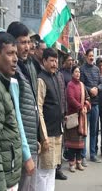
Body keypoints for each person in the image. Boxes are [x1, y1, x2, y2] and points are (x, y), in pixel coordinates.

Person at [7, 21, 39, 190]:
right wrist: (26, 154)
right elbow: (16, 116)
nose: (27, 47)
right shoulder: (13, 72)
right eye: (23, 42)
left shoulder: (26, 67)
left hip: (31, 142)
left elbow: (32, 106)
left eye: (29, 42)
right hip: (21, 148)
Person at [0, 32, 22, 191]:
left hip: (8, 174)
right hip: (2, 181)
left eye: (16, 53)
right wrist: (0, 187)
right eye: (10, 53)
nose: (15, 59)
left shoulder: (3, 83)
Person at [37, 48, 64, 191]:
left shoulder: (55, 77)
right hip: (47, 133)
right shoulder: (41, 79)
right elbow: (39, 109)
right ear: (44, 61)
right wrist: (44, 136)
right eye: (51, 60)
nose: (54, 63)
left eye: (56, 60)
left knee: (52, 168)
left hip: (57, 130)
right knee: (43, 172)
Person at [65, 65, 91, 172]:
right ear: (72, 73)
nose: (78, 74)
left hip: (82, 117)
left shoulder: (82, 85)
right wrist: (80, 107)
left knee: (80, 143)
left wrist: (85, 105)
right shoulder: (70, 85)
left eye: (79, 72)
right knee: (72, 143)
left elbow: (88, 97)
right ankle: (71, 164)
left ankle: (79, 162)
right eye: (76, 72)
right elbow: (70, 99)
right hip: (73, 117)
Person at [80, 49, 102, 164]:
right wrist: (90, 90)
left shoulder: (97, 69)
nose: (91, 58)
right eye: (89, 56)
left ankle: (93, 154)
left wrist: (97, 89)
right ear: (85, 57)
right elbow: (81, 84)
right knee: (85, 131)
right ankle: (83, 156)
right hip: (86, 104)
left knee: (94, 131)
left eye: (92, 56)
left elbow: (101, 82)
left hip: (96, 105)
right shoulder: (82, 69)